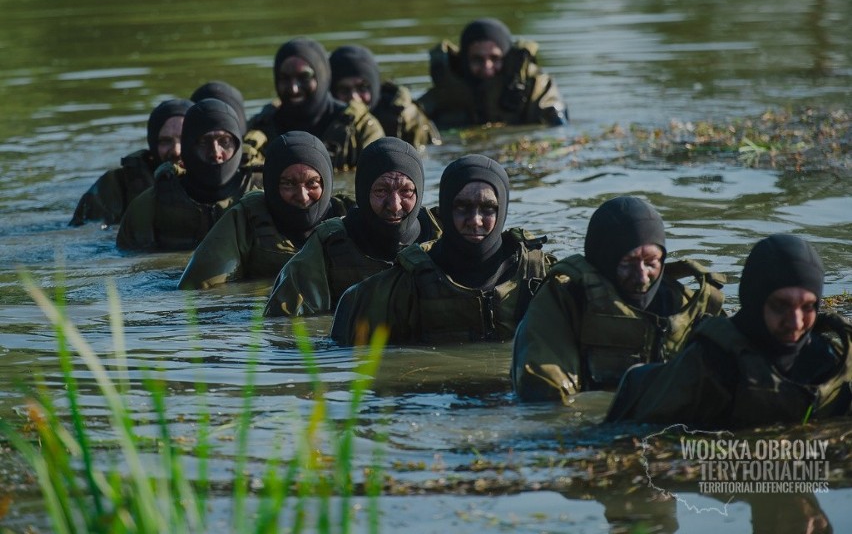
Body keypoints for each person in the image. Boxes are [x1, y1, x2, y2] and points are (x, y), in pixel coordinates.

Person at [605, 233, 852, 428]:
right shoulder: (711, 360)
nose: (796, 322)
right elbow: (645, 438)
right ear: (755, 301)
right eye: (781, 306)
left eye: (808, 307)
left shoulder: (831, 363)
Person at [511, 195, 726, 403]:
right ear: (604, 260)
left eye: (651, 262)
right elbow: (546, 393)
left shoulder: (687, 306)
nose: (642, 276)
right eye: (628, 263)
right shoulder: (566, 301)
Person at [331, 154, 556, 346]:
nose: (475, 220)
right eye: (462, 207)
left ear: (503, 210)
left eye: (488, 209)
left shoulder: (540, 275)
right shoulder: (399, 287)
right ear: (446, 208)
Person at [264, 137, 441, 317]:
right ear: (362, 192)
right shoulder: (328, 244)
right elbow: (283, 323)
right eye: (381, 191)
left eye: (406, 191)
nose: (394, 205)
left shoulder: (441, 235)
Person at [177, 131, 352, 289]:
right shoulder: (245, 219)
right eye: (288, 184)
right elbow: (197, 293)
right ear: (271, 185)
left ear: (327, 183)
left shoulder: (350, 218)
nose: (302, 196)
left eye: (312, 183)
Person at [116, 98, 262, 251]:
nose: (216, 153)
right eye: (204, 142)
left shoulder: (267, 192)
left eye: (225, 141)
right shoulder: (148, 206)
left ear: (238, 144)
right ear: (188, 147)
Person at [246, 37, 385, 170]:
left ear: (322, 77)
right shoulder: (261, 128)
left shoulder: (360, 128)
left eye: (304, 77)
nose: (294, 88)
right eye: (285, 78)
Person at [416, 18, 568, 128]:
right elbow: (417, 119)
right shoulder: (448, 87)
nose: (487, 67)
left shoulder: (535, 86)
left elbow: (559, 129)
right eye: (477, 59)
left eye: (495, 58)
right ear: (464, 60)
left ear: (507, 58)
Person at [70, 98, 191, 226]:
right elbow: (85, 234)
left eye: (184, 139)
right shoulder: (116, 186)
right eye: (165, 141)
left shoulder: (211, 182)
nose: (176, 150)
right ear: (152, 143)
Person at [329, 44, 440, 150]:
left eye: (362, 88)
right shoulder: (327, 120)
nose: (354, 97)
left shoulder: (402, 117)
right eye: (344, 90)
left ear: (374, 86)